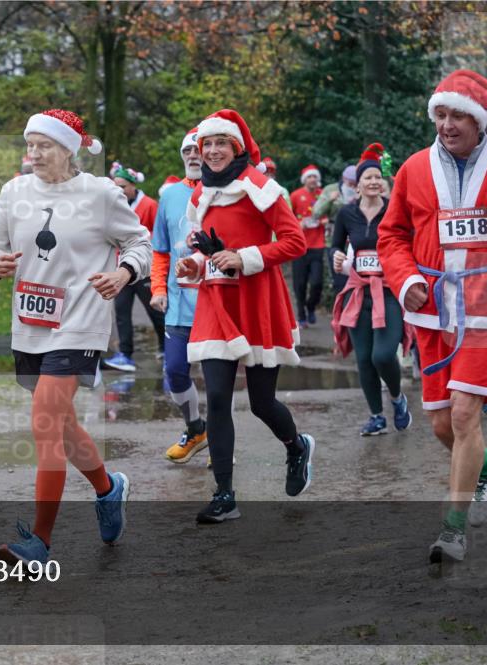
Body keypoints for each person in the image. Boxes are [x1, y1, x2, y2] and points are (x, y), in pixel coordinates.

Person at [0, 108, 151, 563]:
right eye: (29, 145)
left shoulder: (100, 193)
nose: (33, 154)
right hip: (31, 324)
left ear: (68, 150)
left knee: (46, 422)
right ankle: (108, 490)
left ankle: (39, 540)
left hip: (80, 321)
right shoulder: (14, 192)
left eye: (44, 146)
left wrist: (125, 273)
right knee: (64, 425)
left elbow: (140, 243)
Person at [378, 69, 487, 563]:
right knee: (440, 426)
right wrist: (406, 281)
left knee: (463, 413)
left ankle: (453, 530)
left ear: (479, 122)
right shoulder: (413, 169)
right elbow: (391, 237)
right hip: (431, 307)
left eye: (458, 116)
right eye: (441, 114)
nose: (447, 124)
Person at [174, 109, 313, 523]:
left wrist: (246, 257)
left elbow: (295, 243)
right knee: (216, 397)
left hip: (257, 301)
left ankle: (296, 446)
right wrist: (194, 265)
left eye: (221, 144)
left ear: (236, 148)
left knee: (260, 403)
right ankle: (224, 495)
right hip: (217, 303)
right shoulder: (201, 194)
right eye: (206, 145)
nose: (213, 151)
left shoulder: (260, 187)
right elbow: (208, 250)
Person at [330, 143, 413, 436]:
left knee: (383, 354)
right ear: (359, 184)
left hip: (389, 291)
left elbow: (408, 244)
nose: (374, 181)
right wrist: (336, 259)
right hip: (358, 291)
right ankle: (376, 416)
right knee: (364, 359)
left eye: (378, 176)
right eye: (368, 177)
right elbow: (335, 247)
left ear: (384, 181)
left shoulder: (395, 210)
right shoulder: (346, 214)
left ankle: (397, 398)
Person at [150, 128, 208, 462]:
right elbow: (160, 251)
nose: (192, 155)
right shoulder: (170, 196)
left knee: (220, 379)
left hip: (217, 301)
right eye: (187, 150)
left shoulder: (226, 192)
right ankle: (196, 428)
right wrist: (158, 289)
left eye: (198, 149)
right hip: (178, 305)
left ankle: (224, 444)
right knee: (174, 371)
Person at [103, 163, 166, 371]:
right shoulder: (111, 205)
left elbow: (160, 236)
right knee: (121, 311)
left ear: (132, 186)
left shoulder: (149, 205)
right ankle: (125, 354)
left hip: (145, 267)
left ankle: (166, 349)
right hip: (121, 268)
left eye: (122, 187)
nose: (118, 191)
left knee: (155, 310)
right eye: (115, 186)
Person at [290, 164, 327, 327]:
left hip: (318, 244)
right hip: (299, 246)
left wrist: (326, 221)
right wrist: (300, 223)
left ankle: (311, 306)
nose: (312, 180)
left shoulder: (323, 195)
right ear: (305, 180)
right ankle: (301, 315)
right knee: (300, 283)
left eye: (315, 177)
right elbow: (287, 219)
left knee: (317, 282)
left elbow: (332, 214)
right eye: (309, 177)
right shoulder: (296, 195)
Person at [317, 164, 360, 297]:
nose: (352, 187)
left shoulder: (361, 190)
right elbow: (316, 212)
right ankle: (341, 312)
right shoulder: (331, 189)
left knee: (356, 279)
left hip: (356, 241)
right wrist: (330, 200)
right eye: (350, 183)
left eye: (355, 184)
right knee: (340, 281)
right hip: (334, 239)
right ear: (343, 178)